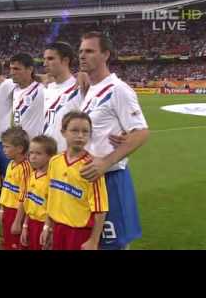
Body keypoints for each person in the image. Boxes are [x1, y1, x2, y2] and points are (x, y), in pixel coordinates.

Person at [77, 31, 149, 250]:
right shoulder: (91, 89)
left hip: (110, 178)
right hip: (89, 179)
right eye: (80, 51)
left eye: (89, 51)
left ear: (105, 55)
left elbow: (141, 132)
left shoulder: (118, 89)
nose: (82, 56)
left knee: (111, 245)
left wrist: (106, 161)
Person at [40, 111, 109, 250]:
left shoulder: (91, 167)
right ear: (63, 132)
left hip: (79, 233)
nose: (80, 136)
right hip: (57, 229)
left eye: (85, 131)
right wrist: (48, 226)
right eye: (74, 130)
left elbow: (101, 209)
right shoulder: (54, 161)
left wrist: (93, 241)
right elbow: (52, 197)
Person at [43, 42, 84, 152]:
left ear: (65, 61)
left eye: (50, 59)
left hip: (69, 160)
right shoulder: (47, 89)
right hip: (47, 158)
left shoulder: (80, 89)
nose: (44, 64)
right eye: (44, 59)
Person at [20, 135, 57, 250]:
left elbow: (53, 208)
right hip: (31, 223)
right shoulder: (31, 176)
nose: (33, 157)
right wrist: (25, 226)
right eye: (31, 153)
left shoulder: (52, 180)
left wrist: (48, 229)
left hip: (45, 225)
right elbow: (29, 204)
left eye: (38, 153)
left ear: (50, 156)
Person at [0, 127, 32, 250]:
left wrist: (18, 221)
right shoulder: (10, 164)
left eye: (7, 147)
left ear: (19, 149)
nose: (4, 150)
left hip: (17, 213)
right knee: (7, 242)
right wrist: (1, 210)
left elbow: (24, 197)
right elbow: (6, 189)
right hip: (7, 210)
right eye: (3, 146)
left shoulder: (26, 168)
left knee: (16, 244)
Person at [9, 53, 44, 140]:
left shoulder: (41, 90)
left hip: (35, 145)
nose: (12, 72)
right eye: (11, 69)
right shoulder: (12, 89)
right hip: (17, 145)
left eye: (16, 69)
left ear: (30, 69)